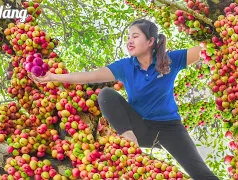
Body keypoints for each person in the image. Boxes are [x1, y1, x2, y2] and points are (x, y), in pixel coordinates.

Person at [29, 19, 219, 180]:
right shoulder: (126, 66)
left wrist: (215, 27)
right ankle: (128, 138)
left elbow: (206, 47)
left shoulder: (170, 60)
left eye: (135, 36)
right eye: (128, 37)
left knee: (200, 173)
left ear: (151, 40)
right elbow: (89, 76)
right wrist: (53, 77)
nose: (129, 41)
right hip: (139, 128)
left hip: (170, 129)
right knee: (105, 94)